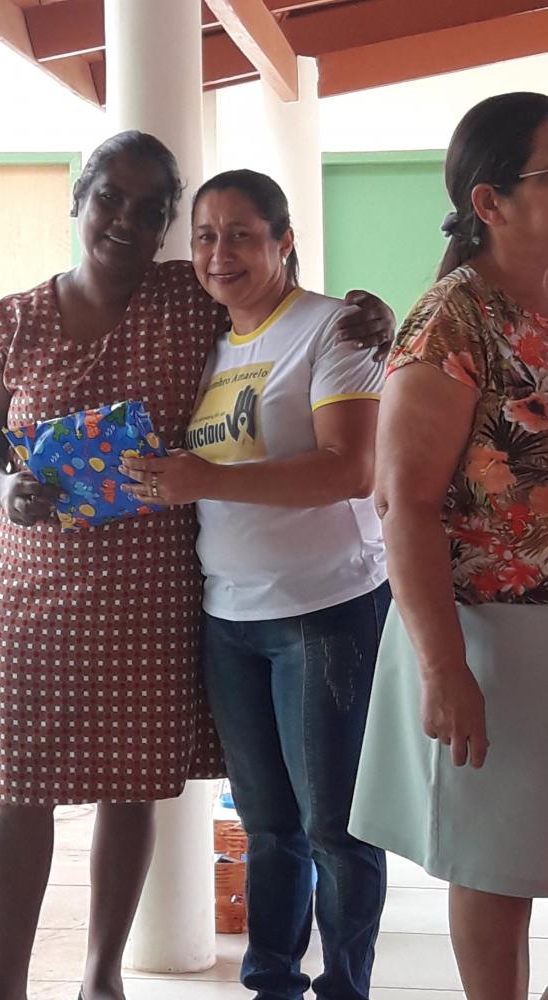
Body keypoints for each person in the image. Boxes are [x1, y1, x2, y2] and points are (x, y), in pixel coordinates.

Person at [0, 133, 393, 1000]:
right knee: (21, 789)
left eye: (152, 208)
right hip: (32, 587)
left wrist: (369, 312)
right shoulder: (13, 319)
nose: (128, 219)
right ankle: (4, 988)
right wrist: (2, 488)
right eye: (110, 197)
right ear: (78, 199)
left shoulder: (186, 298)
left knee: (133, 785)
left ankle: (101, 978)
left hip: (155, 588)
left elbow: (281, 304)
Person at [122, 169, 390, 1000]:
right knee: (268, 827)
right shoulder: (208, 344)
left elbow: (350, 468)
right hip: (229, 616)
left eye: (241, 233)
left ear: (284, 240)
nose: (220, 253)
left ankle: (345, 986)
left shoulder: (333, 328)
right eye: (205, 236)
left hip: (326, 611)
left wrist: (205, 478)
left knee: (335, 828)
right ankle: (271, 981)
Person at [347, 92, 548, 1000]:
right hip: (491, 636)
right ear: (490, 203)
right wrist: (445, 669)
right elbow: (405, 505)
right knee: (497, 866)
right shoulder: (452, 321)